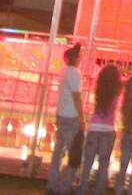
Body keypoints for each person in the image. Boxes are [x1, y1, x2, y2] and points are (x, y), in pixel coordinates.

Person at [77, 63, 123, 195]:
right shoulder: (117, 90)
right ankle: (99, 190)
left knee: (88, 162)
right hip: (108, 129)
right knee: (104, 163)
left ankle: (82, 188)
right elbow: (127, 82)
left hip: (94, 127)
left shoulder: (99, 89)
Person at [46, 42, 84, 195]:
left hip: (61, 114)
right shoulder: (75, 73)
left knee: (58, 152)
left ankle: (52, 184)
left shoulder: (63, 72)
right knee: (74, 152)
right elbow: (77, 97)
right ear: (76, 57)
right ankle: (66, 185)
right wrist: (82, 118)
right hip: (71, 116)